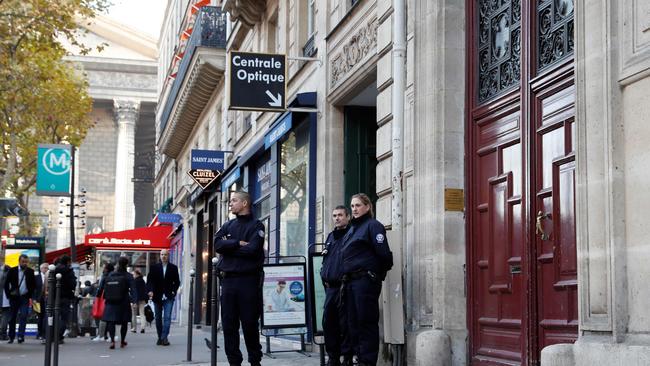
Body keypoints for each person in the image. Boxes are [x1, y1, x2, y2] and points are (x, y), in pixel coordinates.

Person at [340, 193, 393, 366]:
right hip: (350, 283)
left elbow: (384, 255)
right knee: (352, 323)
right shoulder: (352, 230)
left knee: (366, 322)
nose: (354, 209)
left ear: (368, 207)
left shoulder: (373, 226)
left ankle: (367, 362)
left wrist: (375, 275)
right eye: (352, 206)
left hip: (365, 282)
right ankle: (359, 358)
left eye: (358, 205)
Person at [214, 191, 265, 366]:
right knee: (229, 326)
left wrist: (229, 248)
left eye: (234, 200)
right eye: (230, 201)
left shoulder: (257, 226)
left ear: (244, 203)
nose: (230, 203)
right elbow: (217, 244)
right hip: (228, 283)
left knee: (250, 325)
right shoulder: (227, 225)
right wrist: (236, 243)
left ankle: (254, 361)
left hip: (248, 282)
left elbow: (253, 250)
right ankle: (234, 362)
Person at [321, 206, 353, 366]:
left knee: (345, 323)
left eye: (340, 215)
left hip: (345, 286)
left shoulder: (352, 234)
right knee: (328, 322)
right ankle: (333, 357)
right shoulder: (330, 237)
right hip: (331, 288)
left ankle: (347, 357)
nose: (337, 218)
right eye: (334, 215)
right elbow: (326, 260)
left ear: (348, 216)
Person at [98, 257, 135, 349]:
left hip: (110, 300)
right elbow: (133, 289)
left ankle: (112, 341)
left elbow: (102, 285)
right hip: (124, 301)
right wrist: (134, 300)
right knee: (124, 322)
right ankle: (122, 341)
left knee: (111, 321)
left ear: (118, 264)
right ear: (127, 265)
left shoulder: (110, 274)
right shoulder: (128, 276)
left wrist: (98, 296)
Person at [147, 249, 180, 346]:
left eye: (165, 254)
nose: (163, 256)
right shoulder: (154, 268)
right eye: (162, 254)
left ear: (168, 256)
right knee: (158, 318)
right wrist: (150, 290)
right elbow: (150, 281)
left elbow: (177, 282)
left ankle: (164, 337)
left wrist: (174, 291)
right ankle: (160, 336)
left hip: (168, 296)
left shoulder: (173, 268)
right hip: (157, 296)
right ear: (160, 256)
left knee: (167, 317)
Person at [4, 254, 36, 343]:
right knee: (12, 317)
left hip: (24, 297)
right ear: (19, 261)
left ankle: (21, 336)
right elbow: (6, 284)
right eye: (23, 262)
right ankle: (11, 336)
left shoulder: (30, 271)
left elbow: (33, 285)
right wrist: (8, 295)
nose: (25, 263)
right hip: (14, 298)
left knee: (23, 316)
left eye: (26, 262)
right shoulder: (12, 270)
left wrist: (31, 296)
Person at [54, 255, 77, 343]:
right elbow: (72, 284)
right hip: (65, 296)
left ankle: (51, 335)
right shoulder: (69, 271)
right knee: (64, 317)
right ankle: (59, 336)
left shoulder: (54, 269)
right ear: (68, 262)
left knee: (54, 315)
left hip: (54, 296)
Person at [93, 263, 114, 342]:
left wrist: (97, 297)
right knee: (110, 317)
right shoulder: (114, 275)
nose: (103, 269)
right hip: (112, 297)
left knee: (102, 317)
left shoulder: (105, 276)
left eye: (104, 267)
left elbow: (101, 287)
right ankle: (109, 335)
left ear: (107, 269)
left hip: (103, 297)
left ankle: (101, 335)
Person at [34, 262, 48, 340]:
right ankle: (39, 333)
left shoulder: (50, 277)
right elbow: (33, 289)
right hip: (37, 300)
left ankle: (44, 333)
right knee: (39, 317)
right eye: (44, 268)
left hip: (47, 300)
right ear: (41, 269)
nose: (46, 269)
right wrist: (33, 299)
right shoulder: (36, 277)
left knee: (46, 316)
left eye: (47, 268)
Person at [131, 269, 147, 333]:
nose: (133, 275)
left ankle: (134, 328)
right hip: (142, 299)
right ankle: (143, 328)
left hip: (135, 300)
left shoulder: (134, 281)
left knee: (134, 314)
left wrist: (133, 300)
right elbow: (145, 290)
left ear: (137, 274)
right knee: (142, 314)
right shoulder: (143, 281)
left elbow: (133, 292)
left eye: (134, 274)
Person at [0, 254, 10, 341]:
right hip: (5, 296)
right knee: (5, 315)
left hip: (4, 295)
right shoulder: (8, 269)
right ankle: (3, 333)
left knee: (5, 315)